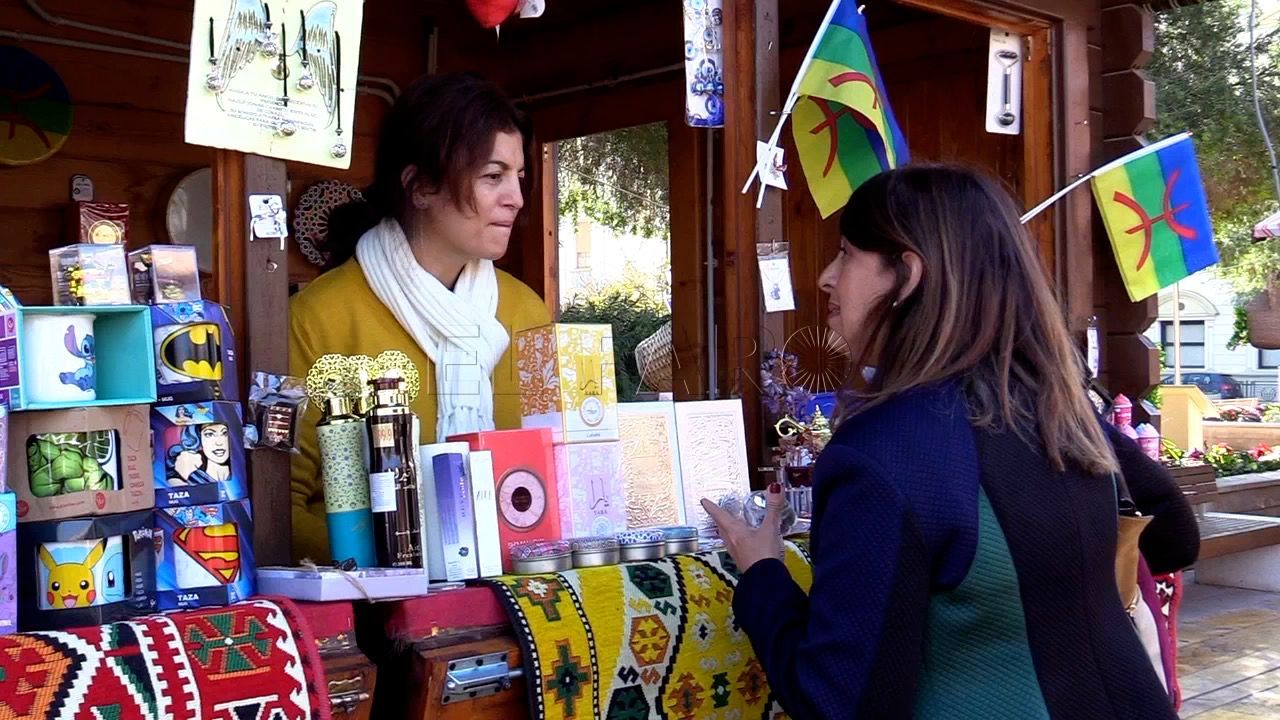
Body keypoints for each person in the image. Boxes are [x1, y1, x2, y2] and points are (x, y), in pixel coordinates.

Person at [704, 165, 1199, 719]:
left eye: (846, 254)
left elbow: (837, 702)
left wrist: (763, 573)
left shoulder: (883, 452)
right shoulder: (1054, 407)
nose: (826, 277)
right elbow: (1175, 537)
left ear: (907, 275)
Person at [290, 73, 551, 563]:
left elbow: (558, 474)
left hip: (515, 586)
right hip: (372, 599)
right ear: (420, 185)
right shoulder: (320, 316)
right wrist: (409, 557)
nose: (516, 197)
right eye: (492, 176)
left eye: (518, 176)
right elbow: (282, 505)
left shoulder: (526, 312)